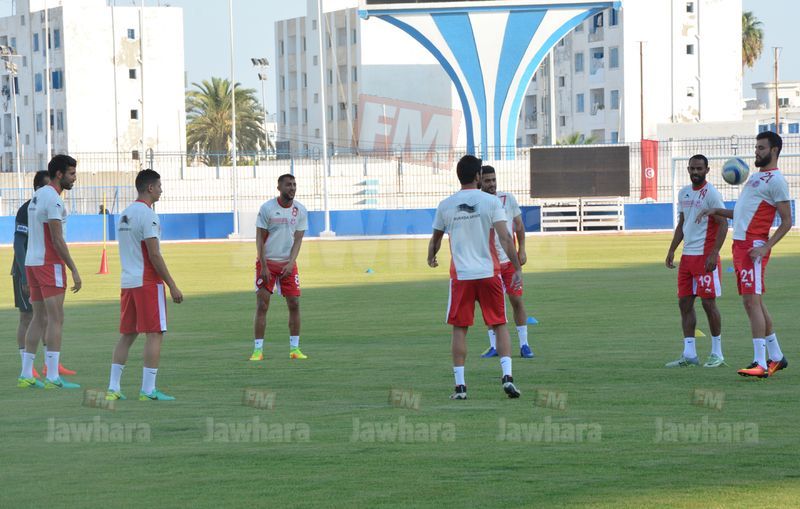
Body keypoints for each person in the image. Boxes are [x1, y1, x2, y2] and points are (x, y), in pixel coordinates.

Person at [428, 155, 524, 400]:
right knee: (499, 324)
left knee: (460, 328)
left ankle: (460, 387)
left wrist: (431, 256)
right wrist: (517, 267)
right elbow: (505, 238)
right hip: (489, 272)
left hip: (461, 275)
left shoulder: (446, 205)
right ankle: (507, 377)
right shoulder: (491, 202)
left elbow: (436, 239)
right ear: (477, 176)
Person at [700, 132, 791, 378]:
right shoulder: (755, 177)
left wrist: (766, 247)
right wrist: (716, 210)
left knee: (751, 302)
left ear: (774, 150)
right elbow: (742, 213)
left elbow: (787, 221)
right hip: (740, 245)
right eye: (756, 147)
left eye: (761, 148)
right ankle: (776, 356)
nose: (756, 151)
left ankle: (760, 362)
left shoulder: (777, 180)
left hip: (753, 247)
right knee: (754, 302)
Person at [105, 169, 183, 401]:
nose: (161, 190)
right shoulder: (149, 216)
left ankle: (113, 388)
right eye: (159, 186)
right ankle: (148, 390)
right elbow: (154, 254)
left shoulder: (125, 214)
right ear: (150, 188)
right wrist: (172, 285)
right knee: (155, 334)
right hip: (147, 282)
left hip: (128, 282)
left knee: (127, 335)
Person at [18, 155, 81, 389]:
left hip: (32, 262)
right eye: (71, 174)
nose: (74, 178)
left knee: (38, 317)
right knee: (56, 319)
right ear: (59, 174)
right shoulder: (54, 200)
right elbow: (56, 239)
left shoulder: (37, 195)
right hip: (49, 263)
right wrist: (73, 268)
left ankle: (26, 373)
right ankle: (53, 376)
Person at [664, 155, 728, 368]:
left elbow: (723, 224)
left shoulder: (712, 194)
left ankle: (717, 353)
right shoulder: (684, 192)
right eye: (692, 168)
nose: (695, 172)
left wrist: (714, 253)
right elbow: (682, 223)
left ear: (707, 170)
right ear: (688, 169)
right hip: (687, 258)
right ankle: (689, 354)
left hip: (705, 257)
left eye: (699, 168)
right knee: (684, 303)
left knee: (708, 303)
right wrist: (672, 249)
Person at [250, 174, 309, 361]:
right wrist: (263, 265)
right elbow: (260, 239)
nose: (292, 188)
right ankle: (258, 351)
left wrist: (291, 262)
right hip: (267, 263)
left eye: (294, 184)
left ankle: (295, 349)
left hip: (288, 264)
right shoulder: (267, 208)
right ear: (279, 188)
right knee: (262, 305)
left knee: (294, 304)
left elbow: (298, 239)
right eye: (288, 185)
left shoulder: (300, 210)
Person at [477, 165, 533, 359]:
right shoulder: (477, 202)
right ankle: (494, 346)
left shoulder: (507, 199)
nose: (492, 184)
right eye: (487, 181)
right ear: (479, 181)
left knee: (516, 300)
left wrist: (522, 249)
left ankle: (524, 344)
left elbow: (519, 226)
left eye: (493, 180)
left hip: (508, 261)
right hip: (488, 263)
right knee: (490, 306)